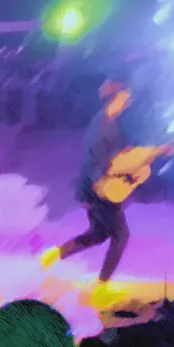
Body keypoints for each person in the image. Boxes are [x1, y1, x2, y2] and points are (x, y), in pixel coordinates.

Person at [46, 81, 137, 284]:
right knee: (121, 235)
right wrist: (105, 179)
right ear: (113, 99)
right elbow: (98, 157)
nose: (126, 103)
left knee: (98, 234)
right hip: (99, 188)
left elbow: (113, 153)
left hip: (97, 186)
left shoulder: (108, 123)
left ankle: (54, 255)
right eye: (124, 98)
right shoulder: (101, 124)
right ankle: (103, 284)